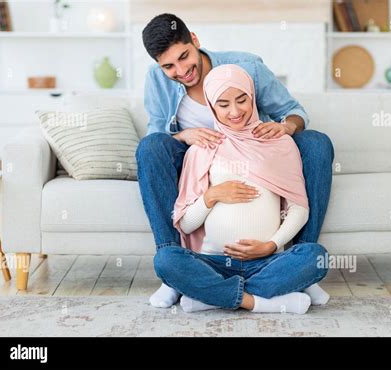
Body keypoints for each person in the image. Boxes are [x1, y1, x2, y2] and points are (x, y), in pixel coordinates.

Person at [136, 13, 333, 308]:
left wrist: (286, 128)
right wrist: (186, 136)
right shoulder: (156, 80)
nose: (181, 70)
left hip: (256, 153)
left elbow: (294, 111)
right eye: (168, 66)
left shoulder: (246, 67)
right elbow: (158, 135)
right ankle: (177, 278)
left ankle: (213, 288)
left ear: (195, 41)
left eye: (184, 57)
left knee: (316, 142)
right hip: (197, 155)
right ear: (158, 65)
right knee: (150, 147)